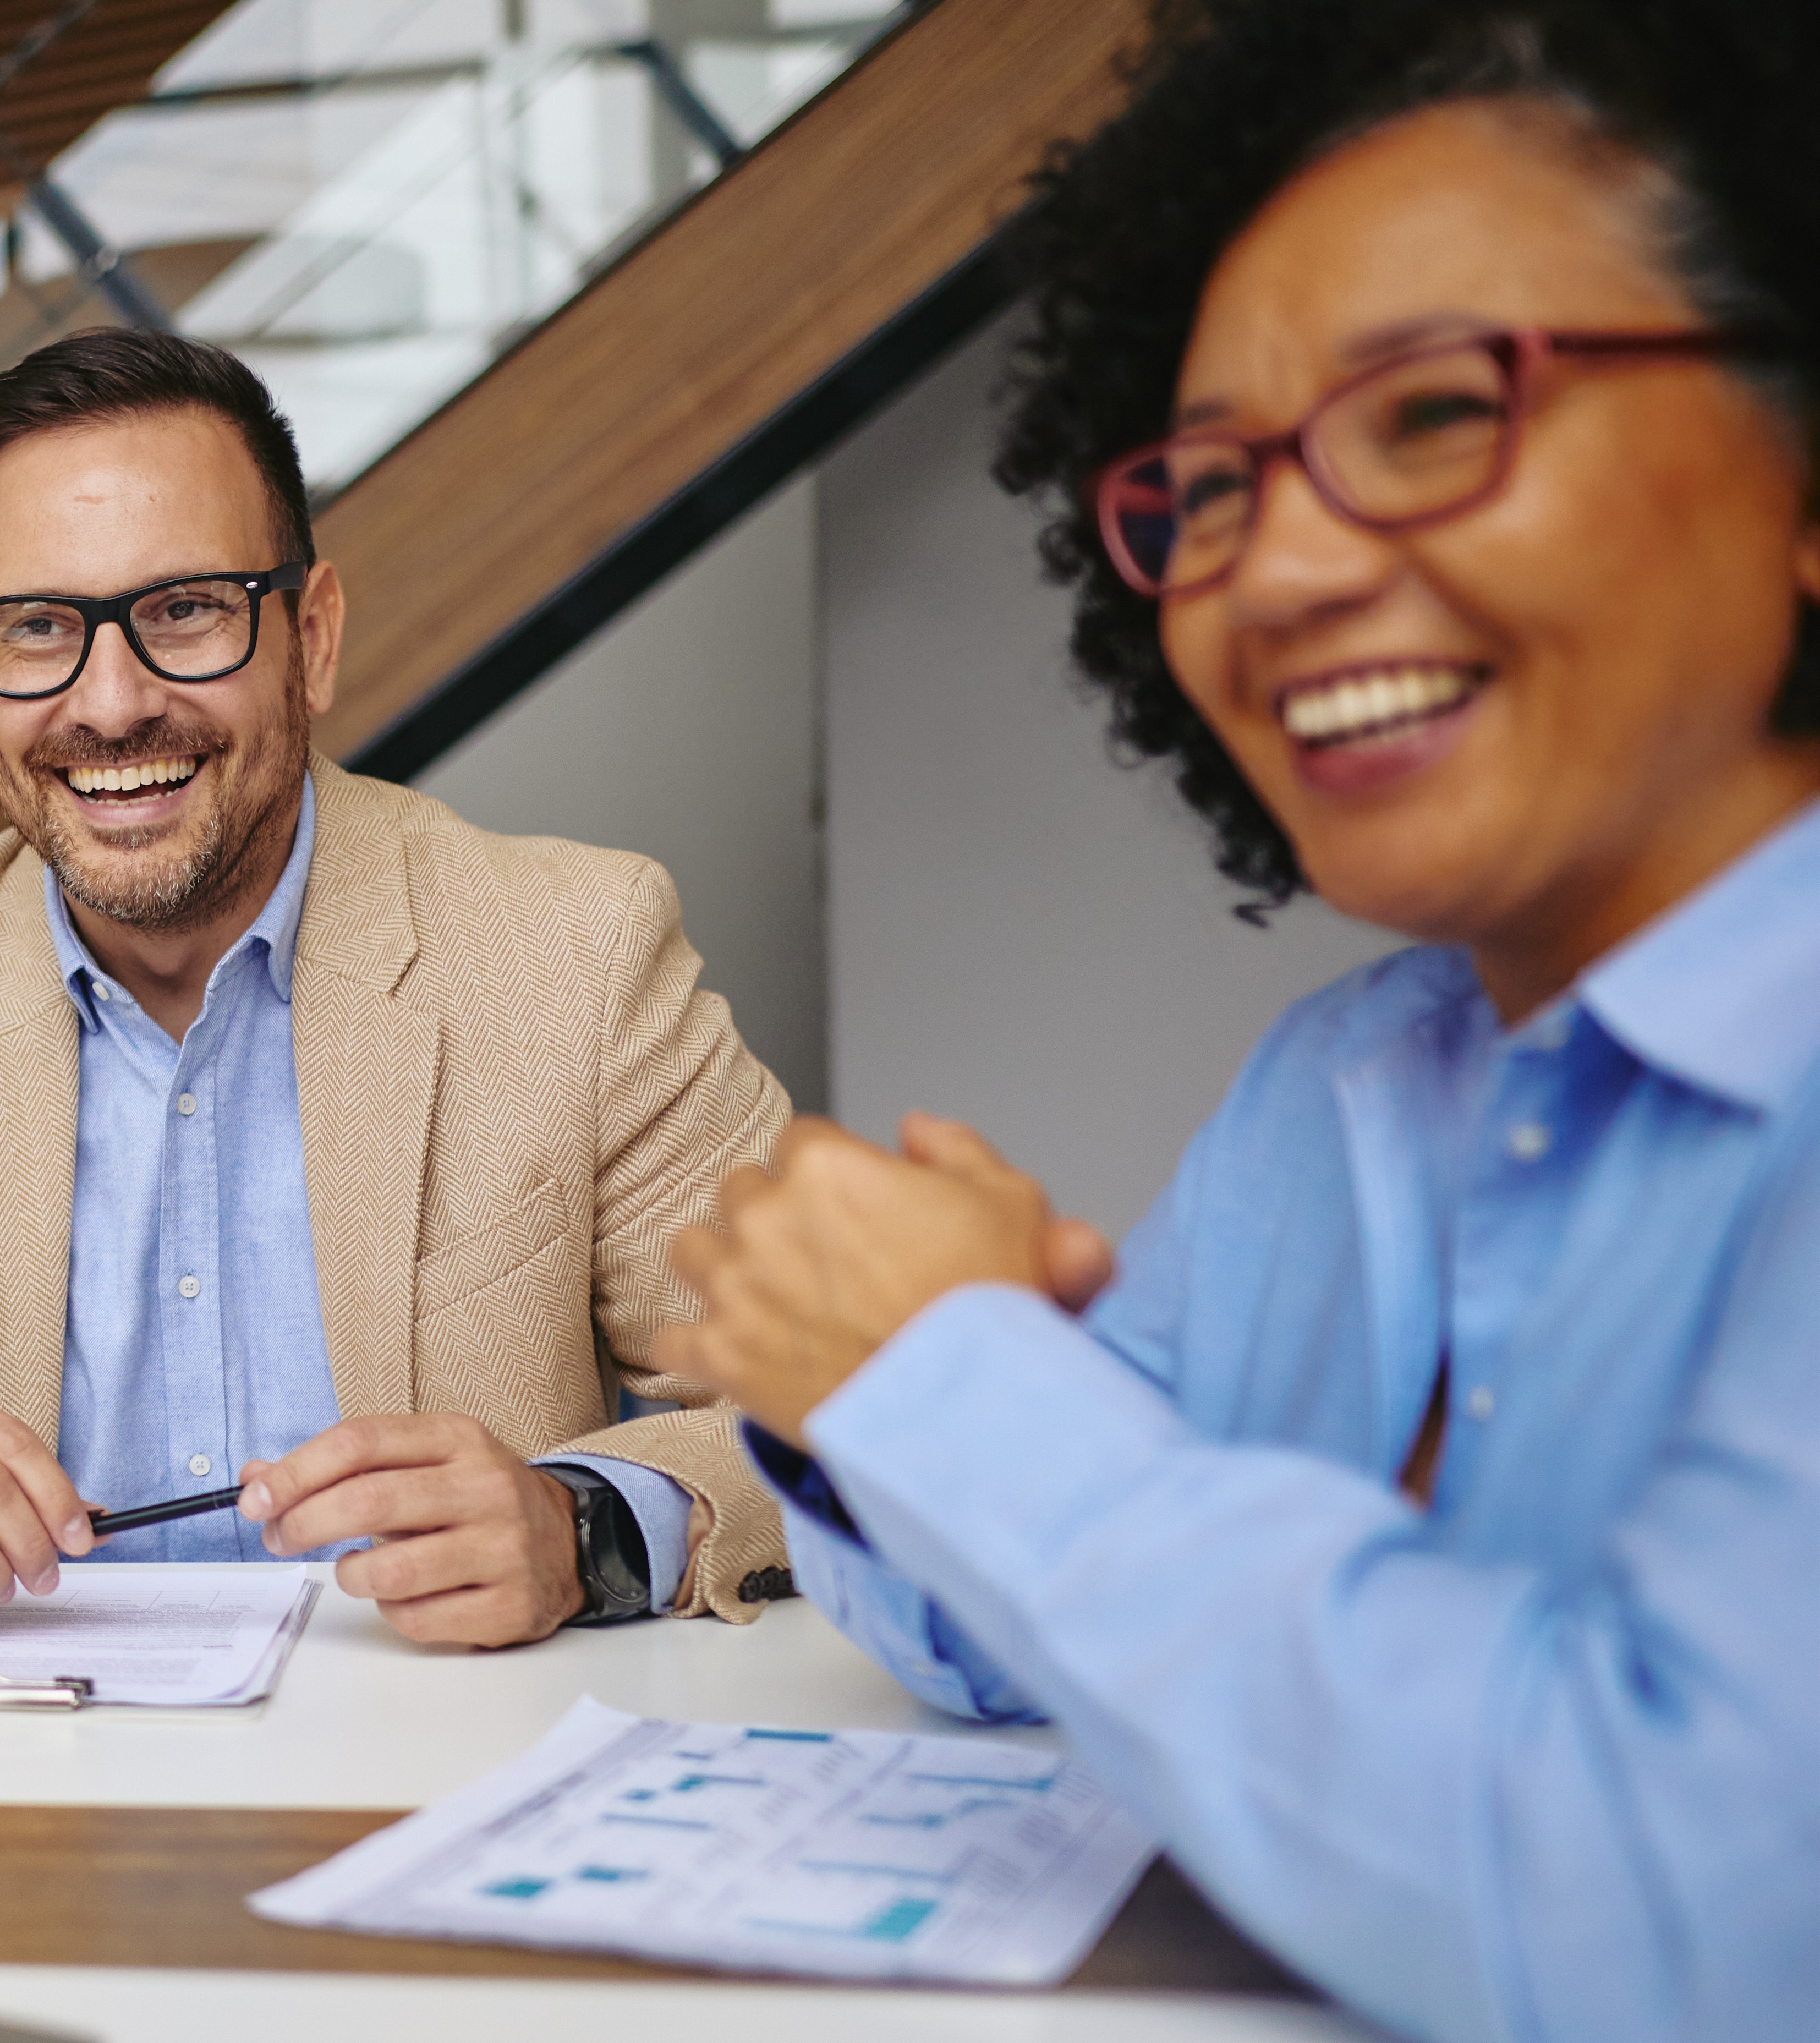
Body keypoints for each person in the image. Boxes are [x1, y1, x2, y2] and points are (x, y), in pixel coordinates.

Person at [655, 3, 1820, 2036]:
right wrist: (870, 1398)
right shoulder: (1346, 1092)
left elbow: (1679, 1923)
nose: (1267, 570)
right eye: (1203, 485)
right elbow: (1030, 1625)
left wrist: (948, 1376)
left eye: (1437, 411)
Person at [0, 328, 798, 1647]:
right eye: (37, 629)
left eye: (184, 611)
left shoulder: (571, 952)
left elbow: (844, 1402)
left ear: (308, 638)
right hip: (11, 1793)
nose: (110, 701)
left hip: (435, 1780)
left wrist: (580, 1531)